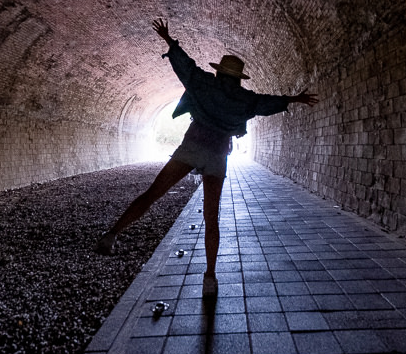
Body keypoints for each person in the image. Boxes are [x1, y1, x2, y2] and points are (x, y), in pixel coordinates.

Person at [96, 18, 318, 299]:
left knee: (153, 193)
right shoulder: (244, 98)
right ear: (237, 78)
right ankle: (210, 278)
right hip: (216, 156)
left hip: (191, 147)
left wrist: (169, 40)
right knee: (212, 218)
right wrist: (294, 99)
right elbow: (266, 103)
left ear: (219, 72)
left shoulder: (203, 83)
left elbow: (184, 66)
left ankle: (112, 235)